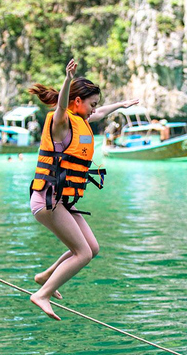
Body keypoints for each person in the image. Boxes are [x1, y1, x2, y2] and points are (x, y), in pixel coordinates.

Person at [28, 58, 139, 320]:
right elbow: (61, 108)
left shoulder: (82, 122)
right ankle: (43, 293)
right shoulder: (62, 122)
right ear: (76, 102)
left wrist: (120, 105)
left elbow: (100, 114)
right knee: (83, 253)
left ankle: (46, 275)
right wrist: (67, 80)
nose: (94, 110)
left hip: (62, 201)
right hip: (48, 200)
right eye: (92, 104)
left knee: (93, 247)